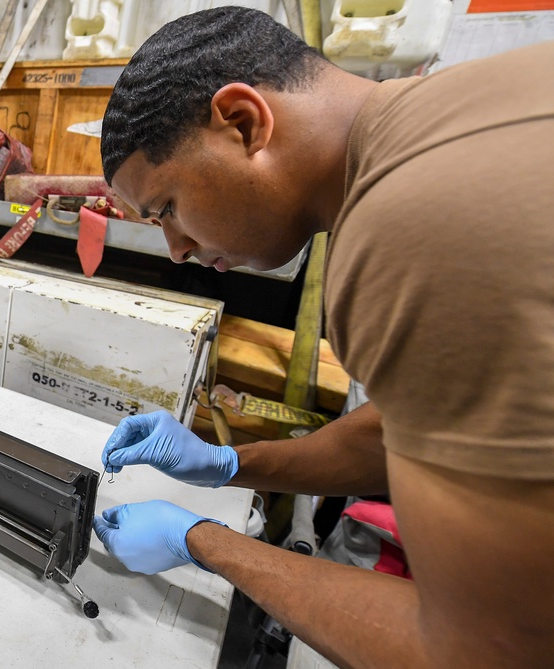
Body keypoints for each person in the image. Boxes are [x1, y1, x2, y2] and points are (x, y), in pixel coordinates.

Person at [91, 7, 554, 669]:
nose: (176, 249)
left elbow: (480, 651)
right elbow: (392, 434)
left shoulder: (408, 226)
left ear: (243, 122)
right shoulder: (458, 113)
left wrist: (200, 539)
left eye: (166, 207)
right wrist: (226, 463)